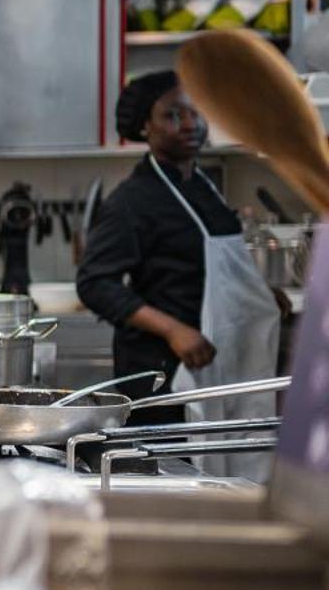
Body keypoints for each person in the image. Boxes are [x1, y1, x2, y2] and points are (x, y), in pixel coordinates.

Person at [77, 70, 280, 464]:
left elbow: (209, 267)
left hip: (215, 363)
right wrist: (174, 330)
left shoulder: (203, 188)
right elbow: (94, 283)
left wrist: (258, 294)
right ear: (144, 127)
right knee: (172, 478)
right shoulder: (133, 200)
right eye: (173, 115)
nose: (190, 124)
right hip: (162, 373)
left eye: (195, 113)